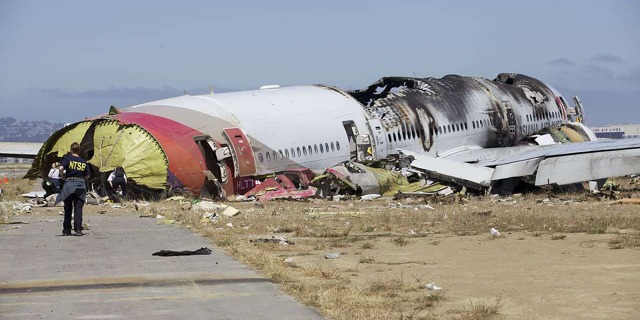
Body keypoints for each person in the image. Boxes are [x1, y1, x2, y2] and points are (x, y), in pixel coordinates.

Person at [56, 142, 91, 236]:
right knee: (78, 208)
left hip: (69, 185)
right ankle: (78, 229)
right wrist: (81, 179)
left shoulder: (67, 159)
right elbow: (88, 175)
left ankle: (67, 229)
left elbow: (60, 168)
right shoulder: (83, 161)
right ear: (79, 150)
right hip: (80, 186)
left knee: (68, 208)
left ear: (71, 150)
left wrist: (63, 175)